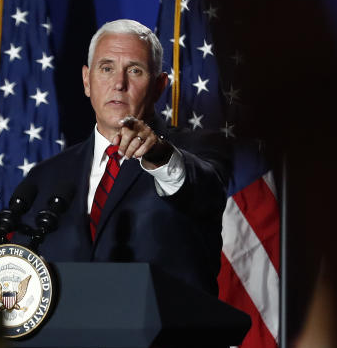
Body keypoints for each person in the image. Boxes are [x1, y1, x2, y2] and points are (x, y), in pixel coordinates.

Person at [19, 19, 229, 295]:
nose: (119, 83)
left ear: (159, 86)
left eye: (135, 70)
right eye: (107, 68)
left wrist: (159, 155)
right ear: (86, 81)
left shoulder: (198, 151)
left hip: (164, 336)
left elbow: (203, 190)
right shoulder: (45, 177)